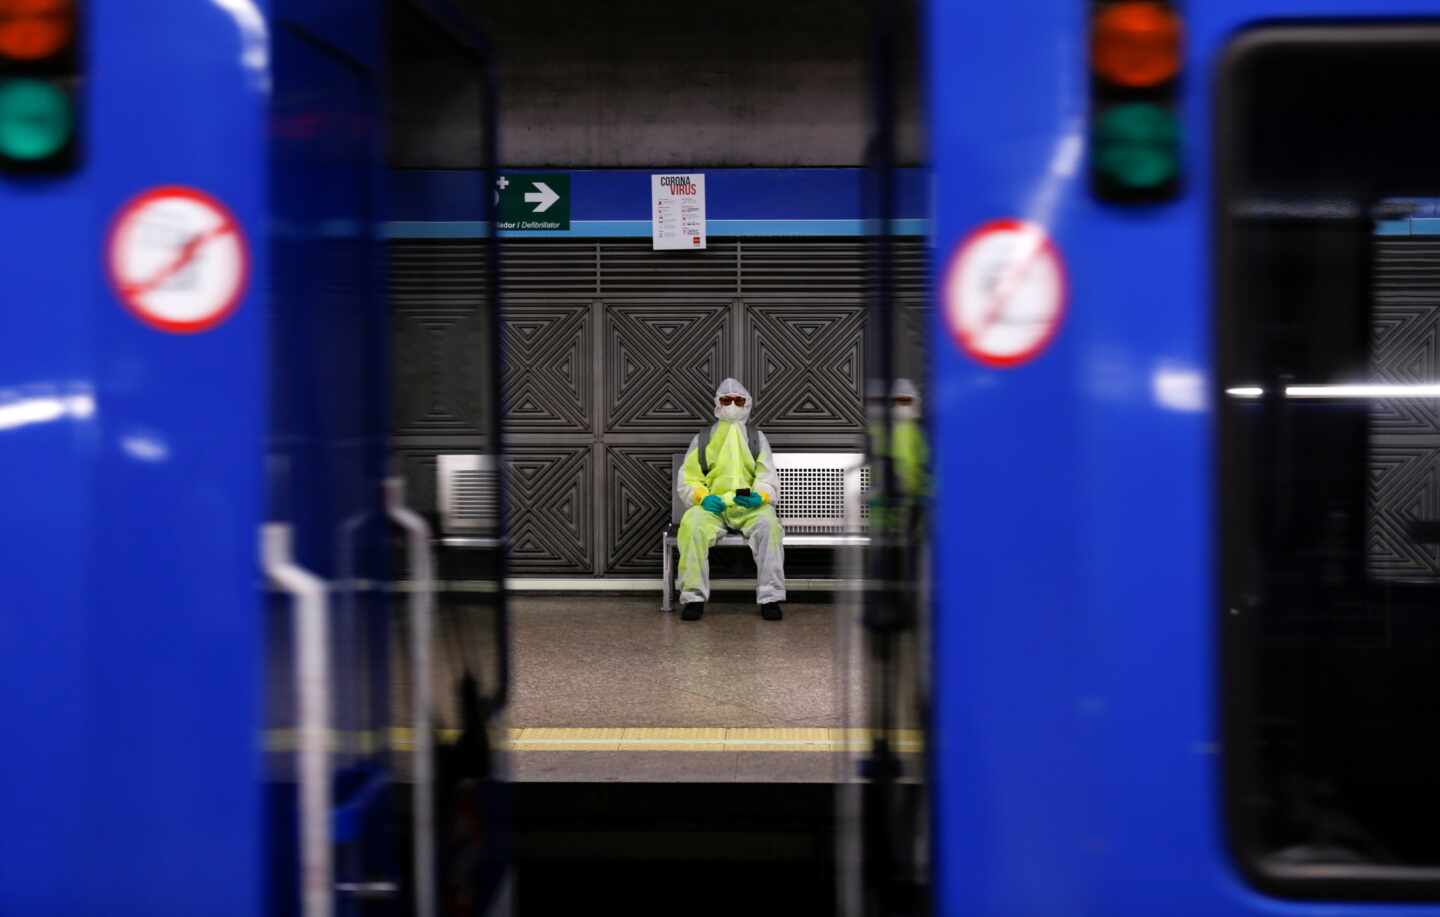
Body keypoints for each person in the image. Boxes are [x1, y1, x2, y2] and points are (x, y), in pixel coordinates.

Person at [675, 378, 785, 621]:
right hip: (713, 504)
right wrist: (702, 498)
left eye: (738, 400)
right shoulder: (703, 438)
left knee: (769, 527)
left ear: (747, 404)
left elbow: (766, 475)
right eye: (726, 400)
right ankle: (693, 598)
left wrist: (760, 496)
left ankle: (771, 598)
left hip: (747, 504)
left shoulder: (757, 437)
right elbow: (689, 478)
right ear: (717, 404)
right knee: (691, 526)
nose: (732, 405)